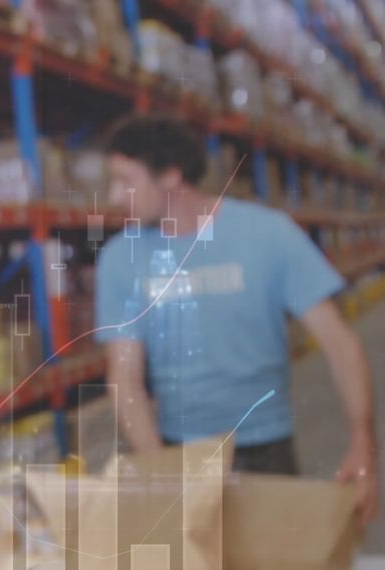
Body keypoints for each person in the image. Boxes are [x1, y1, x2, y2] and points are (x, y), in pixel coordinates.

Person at [96, 114, 379, 525]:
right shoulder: (121, 258)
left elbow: (340, 342)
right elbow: (124, 377)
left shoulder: (268, 236)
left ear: (171, 175)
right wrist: (159, 469)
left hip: (267, 447)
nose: (114, 195)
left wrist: (363, 442)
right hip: (179, 451)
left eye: (125, 180)